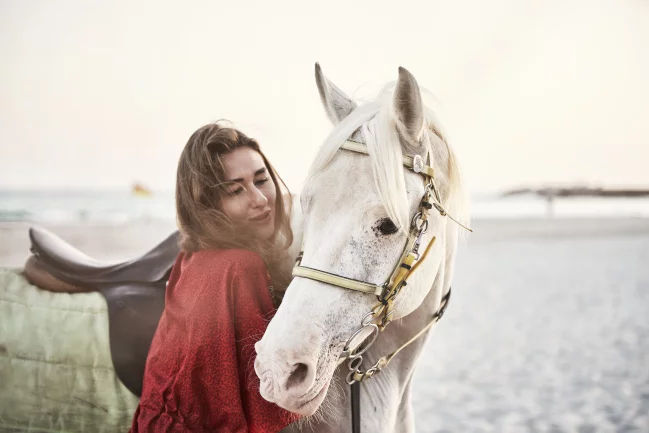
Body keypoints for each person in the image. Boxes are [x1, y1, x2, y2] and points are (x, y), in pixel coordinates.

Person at [130, 121, 299, 432]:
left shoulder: (191, 257)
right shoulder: (240, 267)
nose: (259, 199)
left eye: (261, 180)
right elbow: (271, 396)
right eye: (235, 190)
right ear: (206, 206)